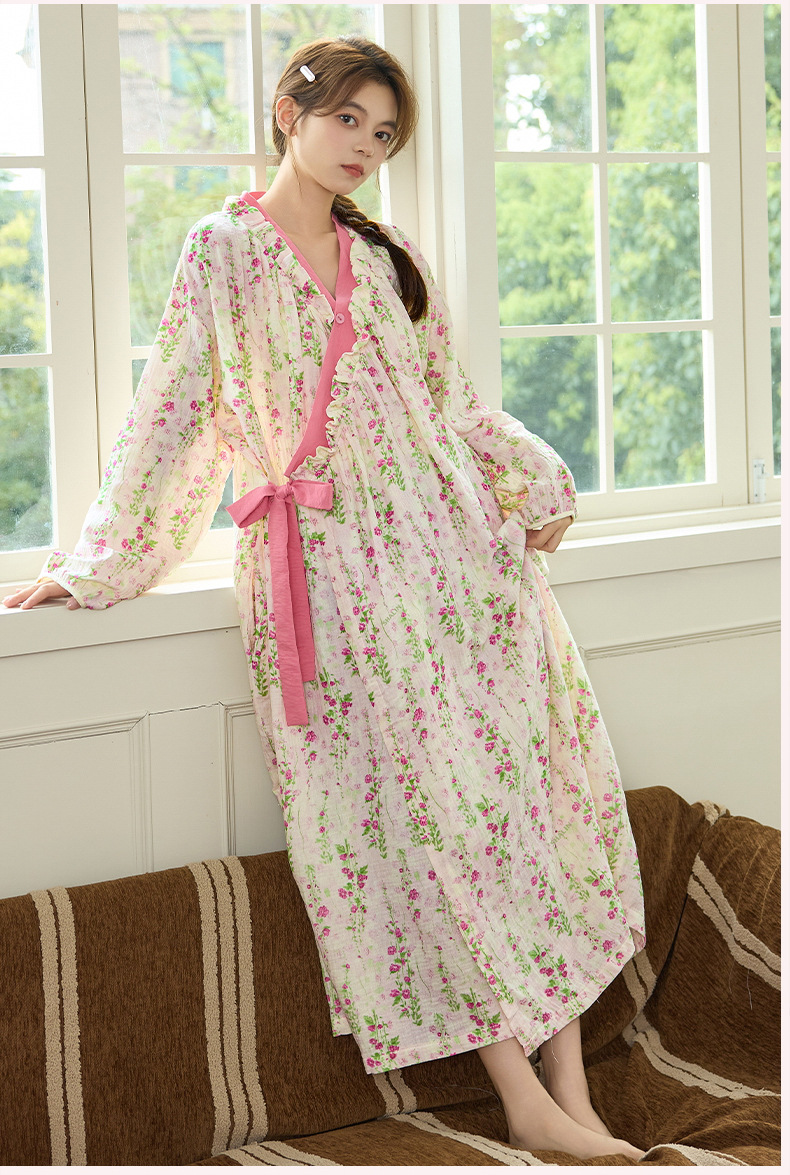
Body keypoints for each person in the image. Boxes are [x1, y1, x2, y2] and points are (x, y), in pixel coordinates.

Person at [4, 37, 646, 1161]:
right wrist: (99, 562)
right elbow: (175, 411)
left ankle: (570, 1085)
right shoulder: (223, 250)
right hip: (330, 574)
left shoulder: (389, 255)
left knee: (515, 806)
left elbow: (452, 403)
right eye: (348, 119)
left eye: (383, 133)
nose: (365, 146)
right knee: (422, 821)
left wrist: (535, 480)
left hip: (455, 559)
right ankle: (520, 1095)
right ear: (289, 112)